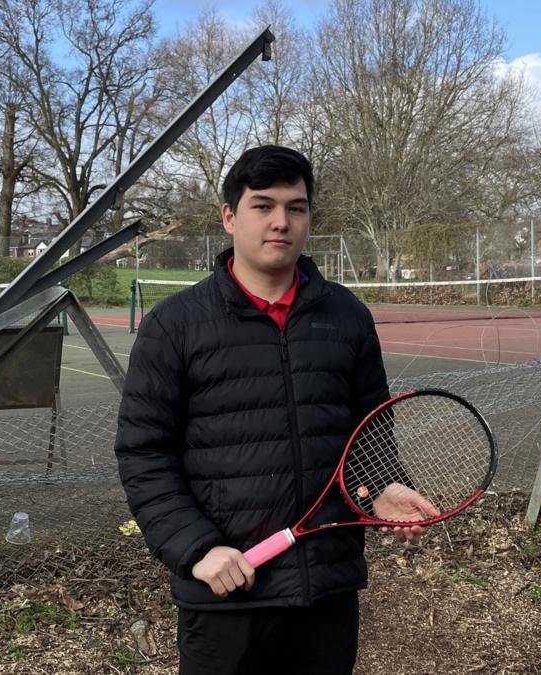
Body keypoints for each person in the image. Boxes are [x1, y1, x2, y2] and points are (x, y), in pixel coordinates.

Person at [114, 145, 431, 675]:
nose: (281, 222)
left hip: (326, 586)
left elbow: (370, 431)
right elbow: (143, 453)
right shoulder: (175, 325)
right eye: (263, 206)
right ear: (229, 216)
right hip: (225, 592)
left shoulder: (347, 316)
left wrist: (383, 486)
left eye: (296, 207)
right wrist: (197, 551)